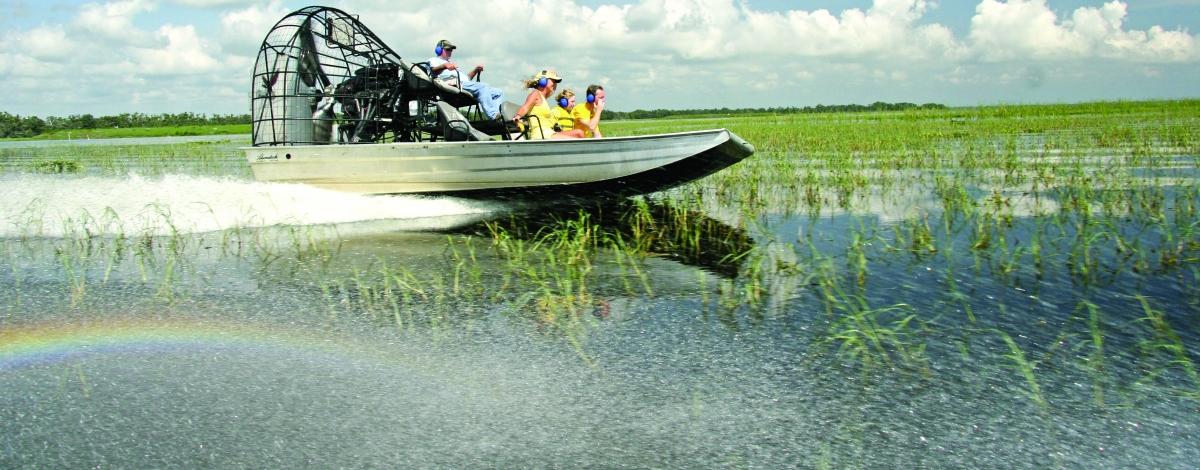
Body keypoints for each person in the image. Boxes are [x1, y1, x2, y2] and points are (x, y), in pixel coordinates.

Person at [427, 39, 504, 119]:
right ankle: (493, 115)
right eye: (448, 49)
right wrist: (444, 66)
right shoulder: (434, 60)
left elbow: (467, 79)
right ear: (439, 50)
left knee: (498, 92)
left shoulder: (450, 63)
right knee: (483, 86)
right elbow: (433, 71)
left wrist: (475, 70)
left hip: (464, 84)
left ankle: (499, 116)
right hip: (455, 84)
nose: (450, 52)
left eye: (451, 50)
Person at [512, 70, 584, 139]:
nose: (555, 84)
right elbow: (525, 107)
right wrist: (518, 116)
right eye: (553, 81)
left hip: (549, 132)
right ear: (543, 81)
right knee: (574, 141)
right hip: (540, 134)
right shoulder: (536, 94)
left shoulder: (543, 99)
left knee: (579, 133)